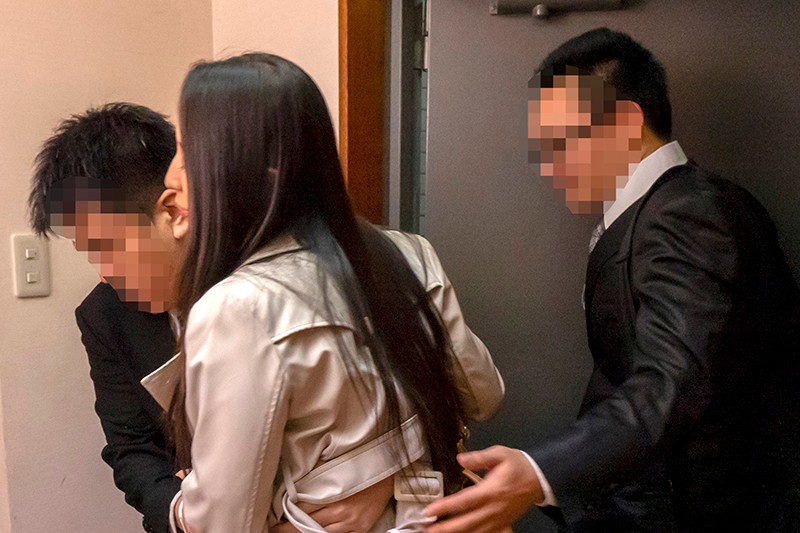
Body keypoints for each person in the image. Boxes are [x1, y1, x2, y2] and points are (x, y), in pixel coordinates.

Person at [425, 28, 800, 532]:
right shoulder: (681, 207)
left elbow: (671, 383)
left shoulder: (688, 215)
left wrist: (539, 473)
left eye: (560, 143)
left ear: (626, 123)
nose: (548, 167)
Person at [155, 52, 505, 533]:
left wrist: (179, 507)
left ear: (251, 169)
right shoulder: (408, 253)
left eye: (186, 151)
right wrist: (389, 471)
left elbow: (223, 522)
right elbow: (483, 394)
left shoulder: (237, 308)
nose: (172, 176)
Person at [28, 103, 400, 533]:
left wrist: (379, 478)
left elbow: (405, 399)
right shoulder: (105, 316)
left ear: (173, 210)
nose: (104, 272)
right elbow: (131, 448)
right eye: (89, 253)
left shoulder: (274, 283)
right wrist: (185, 510)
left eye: (106, 246)